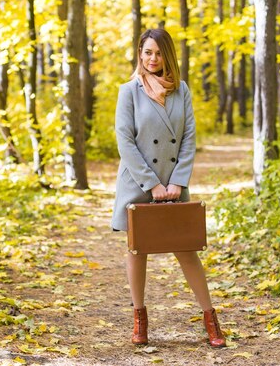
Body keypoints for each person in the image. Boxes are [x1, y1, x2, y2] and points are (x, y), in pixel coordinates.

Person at [111, 28, 226, 348]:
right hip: (139, 182)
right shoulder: (128, 91)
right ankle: (139, 319)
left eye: (158, 53)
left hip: (174, 183)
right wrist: (153, 184)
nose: (152, 59)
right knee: (138, 249)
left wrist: (177, 181)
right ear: (140, 54)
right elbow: (126, 141)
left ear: (167, 56)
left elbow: (189, 138)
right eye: (147, 52)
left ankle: (210, 318)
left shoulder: (182, 90)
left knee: (186, 250)